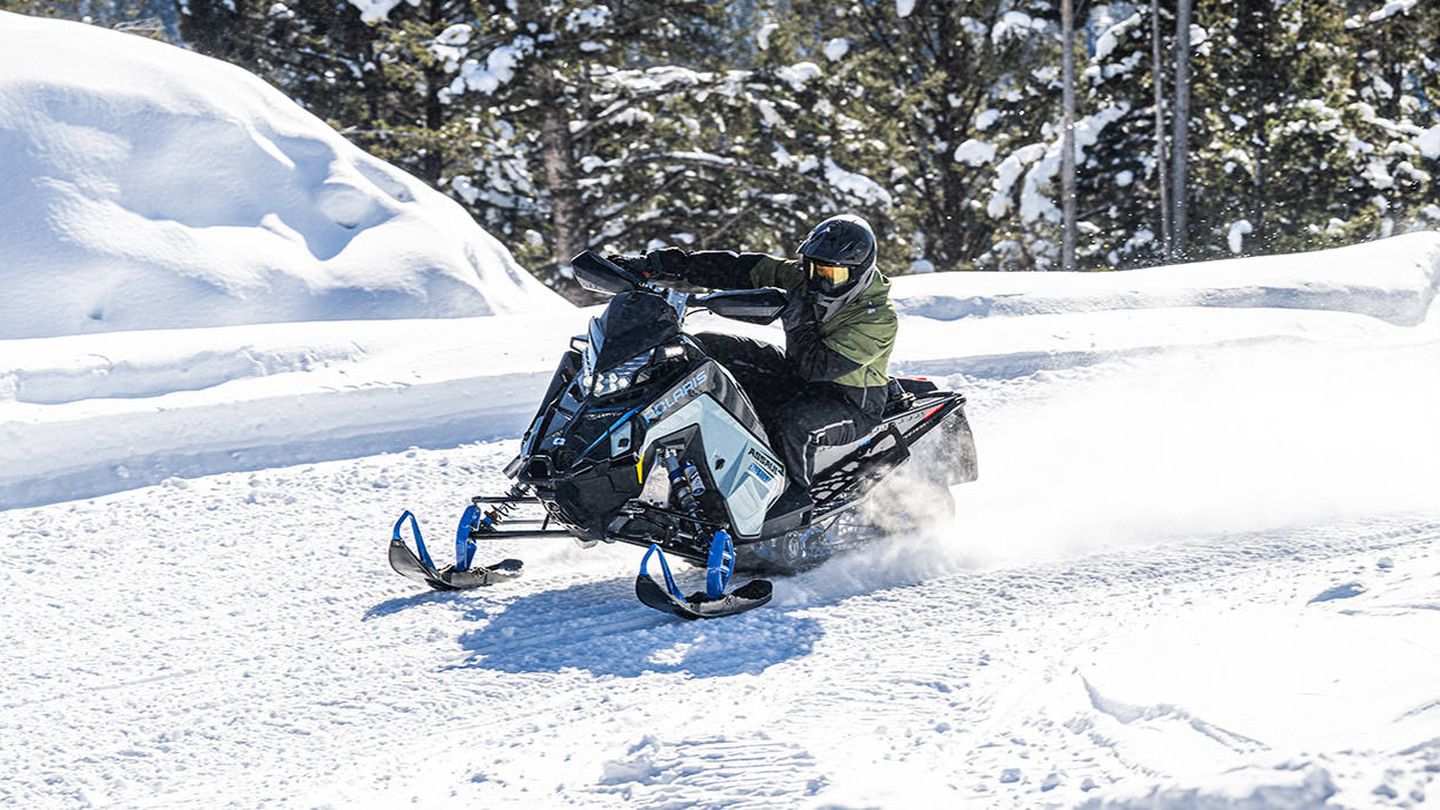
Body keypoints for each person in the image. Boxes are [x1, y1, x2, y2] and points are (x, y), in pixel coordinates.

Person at [609, 214, 897, 512]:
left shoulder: (877, 317)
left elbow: (818, 368)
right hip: (796, 375)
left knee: (793, 424)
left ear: (860, 272)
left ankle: (788, 506)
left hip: (848, 402)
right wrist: (667, 265)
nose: (818, 281)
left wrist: (798, 319)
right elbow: (744, 267)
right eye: (813, 269)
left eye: (831, 275)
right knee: (705, 347)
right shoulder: (808, 278)